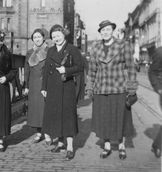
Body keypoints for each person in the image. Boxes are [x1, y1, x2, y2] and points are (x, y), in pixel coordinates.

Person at [86, 20, 138, 160]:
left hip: (119, 88)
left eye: (108, 29)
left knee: (119, 118)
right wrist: (90, 88)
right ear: (100, 33)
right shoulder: (95, 48)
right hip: (101, 89)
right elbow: (91, 71)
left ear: (113, 31)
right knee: (104, 118)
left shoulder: (123, 45)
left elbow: (131, 68)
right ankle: (107, 145)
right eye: (102, 30)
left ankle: (121, 146)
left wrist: (131, 89)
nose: (105, 32)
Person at [41, 24, 84, 160]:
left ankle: (70, 146)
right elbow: (46, 70)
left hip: (67, 86)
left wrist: (67, 70)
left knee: (67, 116)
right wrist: (43, 87)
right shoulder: (50, 50)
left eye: (58, 35)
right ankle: (60, 143)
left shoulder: (72, 49)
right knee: (55, 115)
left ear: (63, 35)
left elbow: (80, 67)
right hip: (53, 87)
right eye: (53, 36)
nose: (56, 38)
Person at [24, 28, 51, 145]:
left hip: (45, 83)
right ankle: (39, 132)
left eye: (39, 37)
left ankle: (48, 133)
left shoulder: (49, 51)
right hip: (34, 83)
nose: (37, 39)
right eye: (35, 37)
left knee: (45, 108)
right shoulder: (29, 52)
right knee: (36, 110)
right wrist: (26, 85)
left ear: (43, 38)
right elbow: (26, 70)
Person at [148, 46, 162, 158]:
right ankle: (158, 145)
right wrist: (159, 88)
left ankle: (157, 144)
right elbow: (152, 72)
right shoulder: (160, 52)